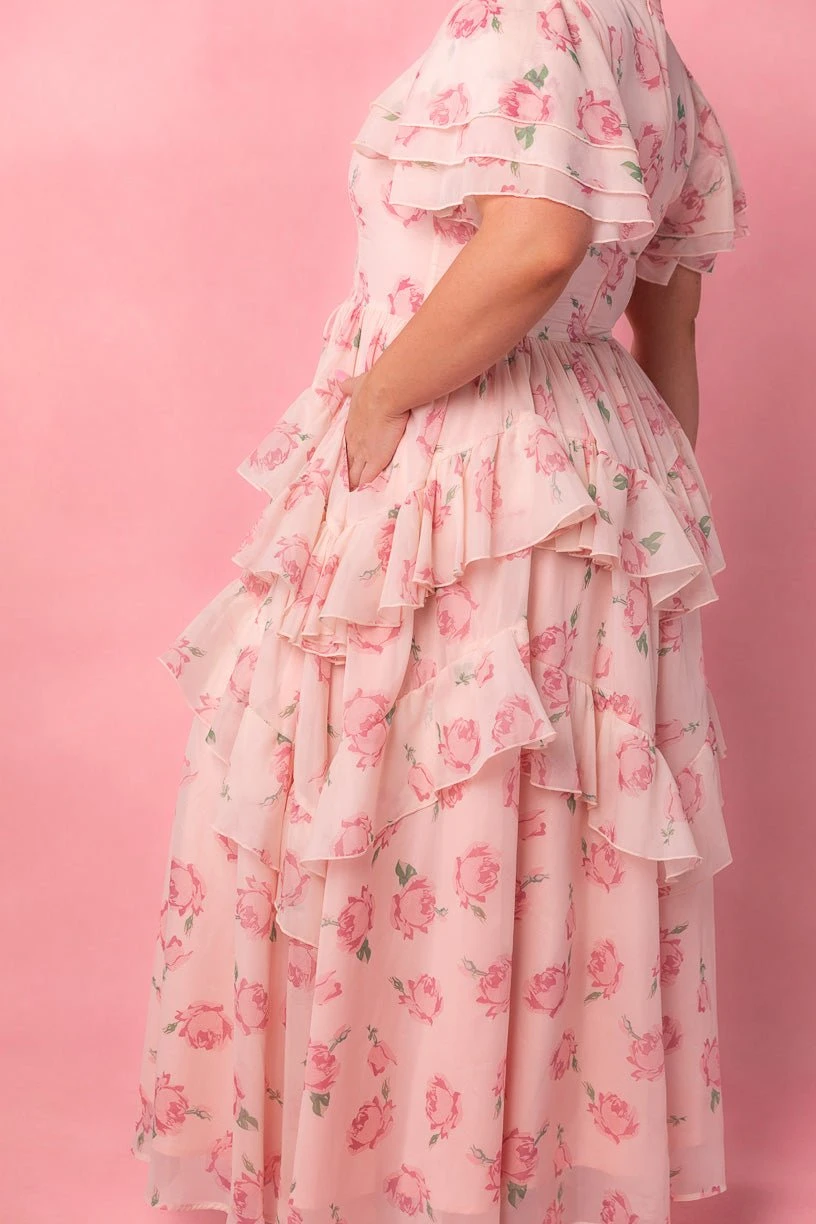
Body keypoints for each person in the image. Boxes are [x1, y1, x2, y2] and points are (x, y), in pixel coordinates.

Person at [130, 1, 750, 1221]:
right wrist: (649, 515)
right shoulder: (649, 46)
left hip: (471, 455)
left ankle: (404, 1184)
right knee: (535, 838)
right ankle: (490, 1178)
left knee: (416, 820)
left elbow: (535, 245)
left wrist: (378, 398)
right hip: (601, 464)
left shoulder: (524, 18)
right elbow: (669, 322)